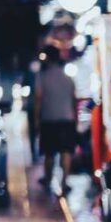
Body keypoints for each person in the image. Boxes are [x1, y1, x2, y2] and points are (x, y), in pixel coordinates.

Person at [34, 45, 77, 194]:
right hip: (67, 119)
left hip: (49, 119)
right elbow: (74, 99)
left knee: (49, 152)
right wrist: (75, 120)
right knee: (66, 151)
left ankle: (48, 178)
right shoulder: (67, 77)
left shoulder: (42, 76)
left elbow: (38, 99)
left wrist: (36, 120)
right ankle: (64, 182)